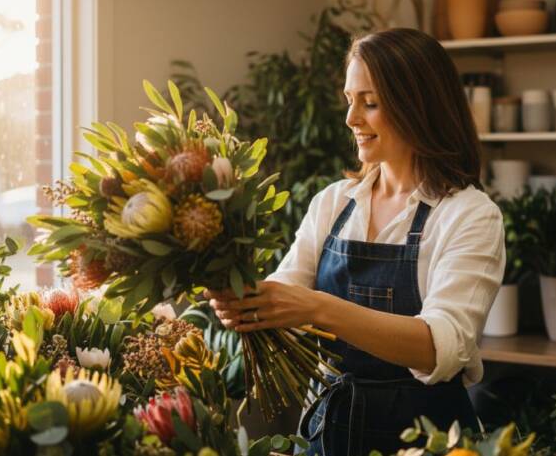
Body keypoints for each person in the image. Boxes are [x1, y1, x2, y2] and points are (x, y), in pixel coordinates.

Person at [207, 27, 505, 456]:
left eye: (370, 103)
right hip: (328, 434)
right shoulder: (333, 203)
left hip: (428, 441)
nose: (351, 119)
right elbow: (286, 291)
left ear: (419, 105)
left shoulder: (469, 215)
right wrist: (237, 294)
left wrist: (319, 308)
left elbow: (441, 346)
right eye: (350, 101)